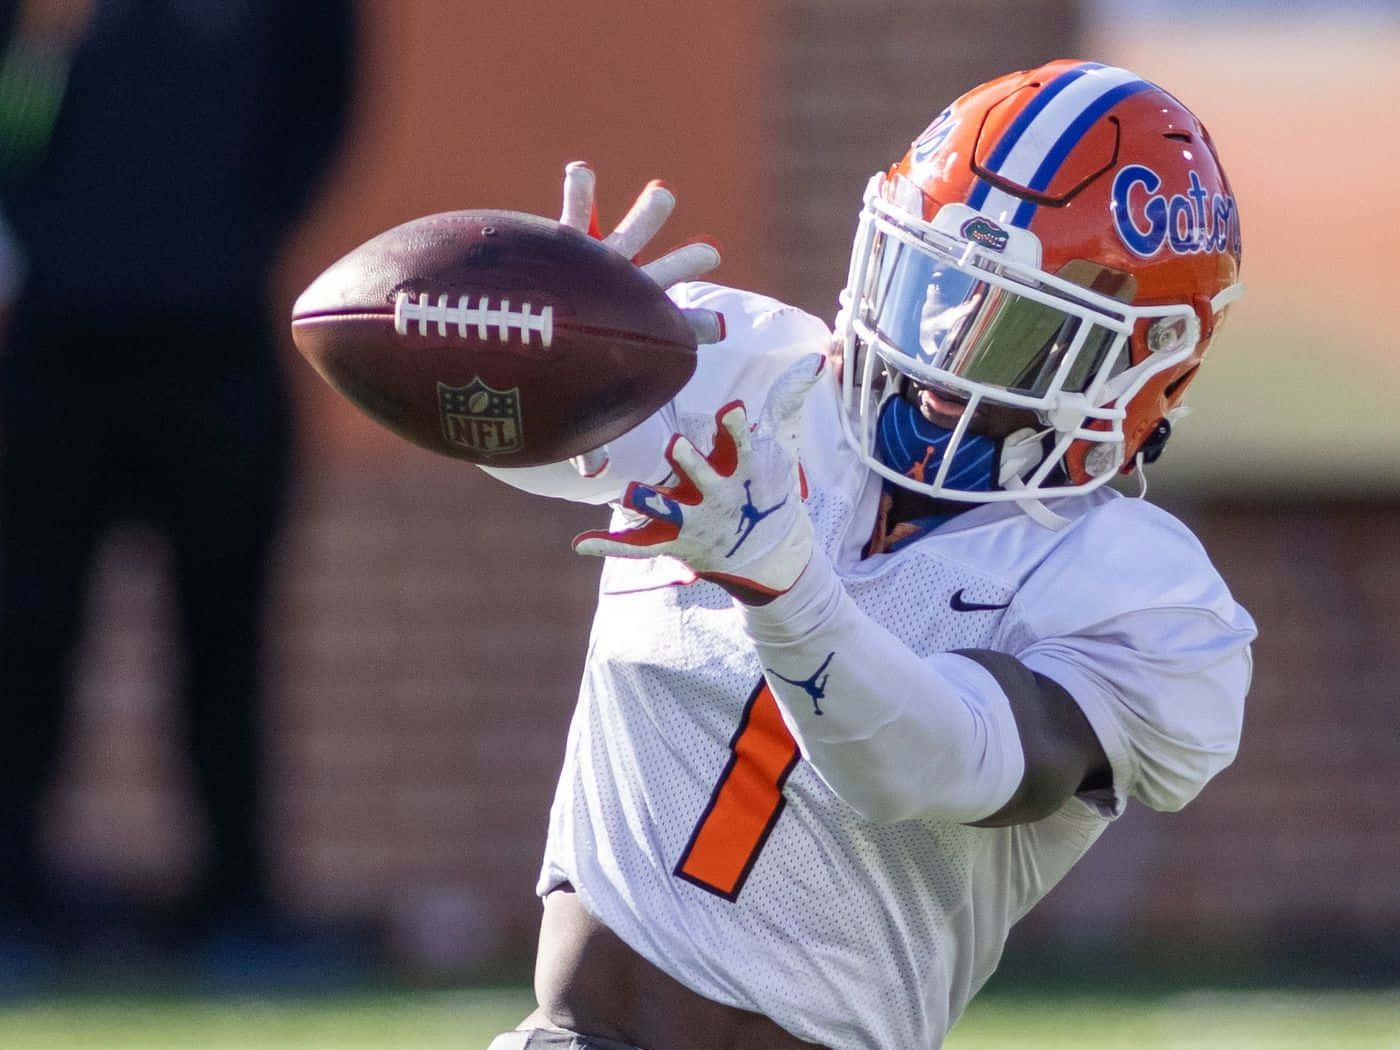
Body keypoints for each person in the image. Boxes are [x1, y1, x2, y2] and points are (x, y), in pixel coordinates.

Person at [480, 60, 1255, 1050]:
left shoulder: (1133, 591)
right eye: (932, 284)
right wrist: (530, 342)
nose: (943, 350)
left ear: (1141, 364)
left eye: (1015, 330)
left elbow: (935, 762)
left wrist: (786, 591)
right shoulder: (750, 372)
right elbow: (503, 439)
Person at [0, 0, 355, 957]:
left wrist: (227, 242)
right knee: (24, 627)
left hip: (219, 343)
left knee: (225, 634)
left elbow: (323, 103)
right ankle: (14, 901)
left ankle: (236, 903)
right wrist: (41, 233)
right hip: (54, 344)